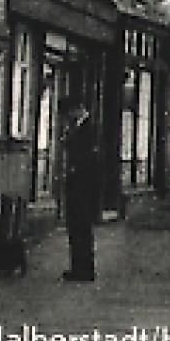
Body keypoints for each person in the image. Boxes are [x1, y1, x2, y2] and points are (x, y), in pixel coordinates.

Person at [59, 95, 101, 281]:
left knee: (80, 226)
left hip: (82, 185)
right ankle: (79, 266)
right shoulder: (80, 127)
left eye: (68, 113)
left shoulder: (88, 128)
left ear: (77, 109)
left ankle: (83, 269)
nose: (67, 117)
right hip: (79, 183)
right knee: (76, 226)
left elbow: (87, 157)